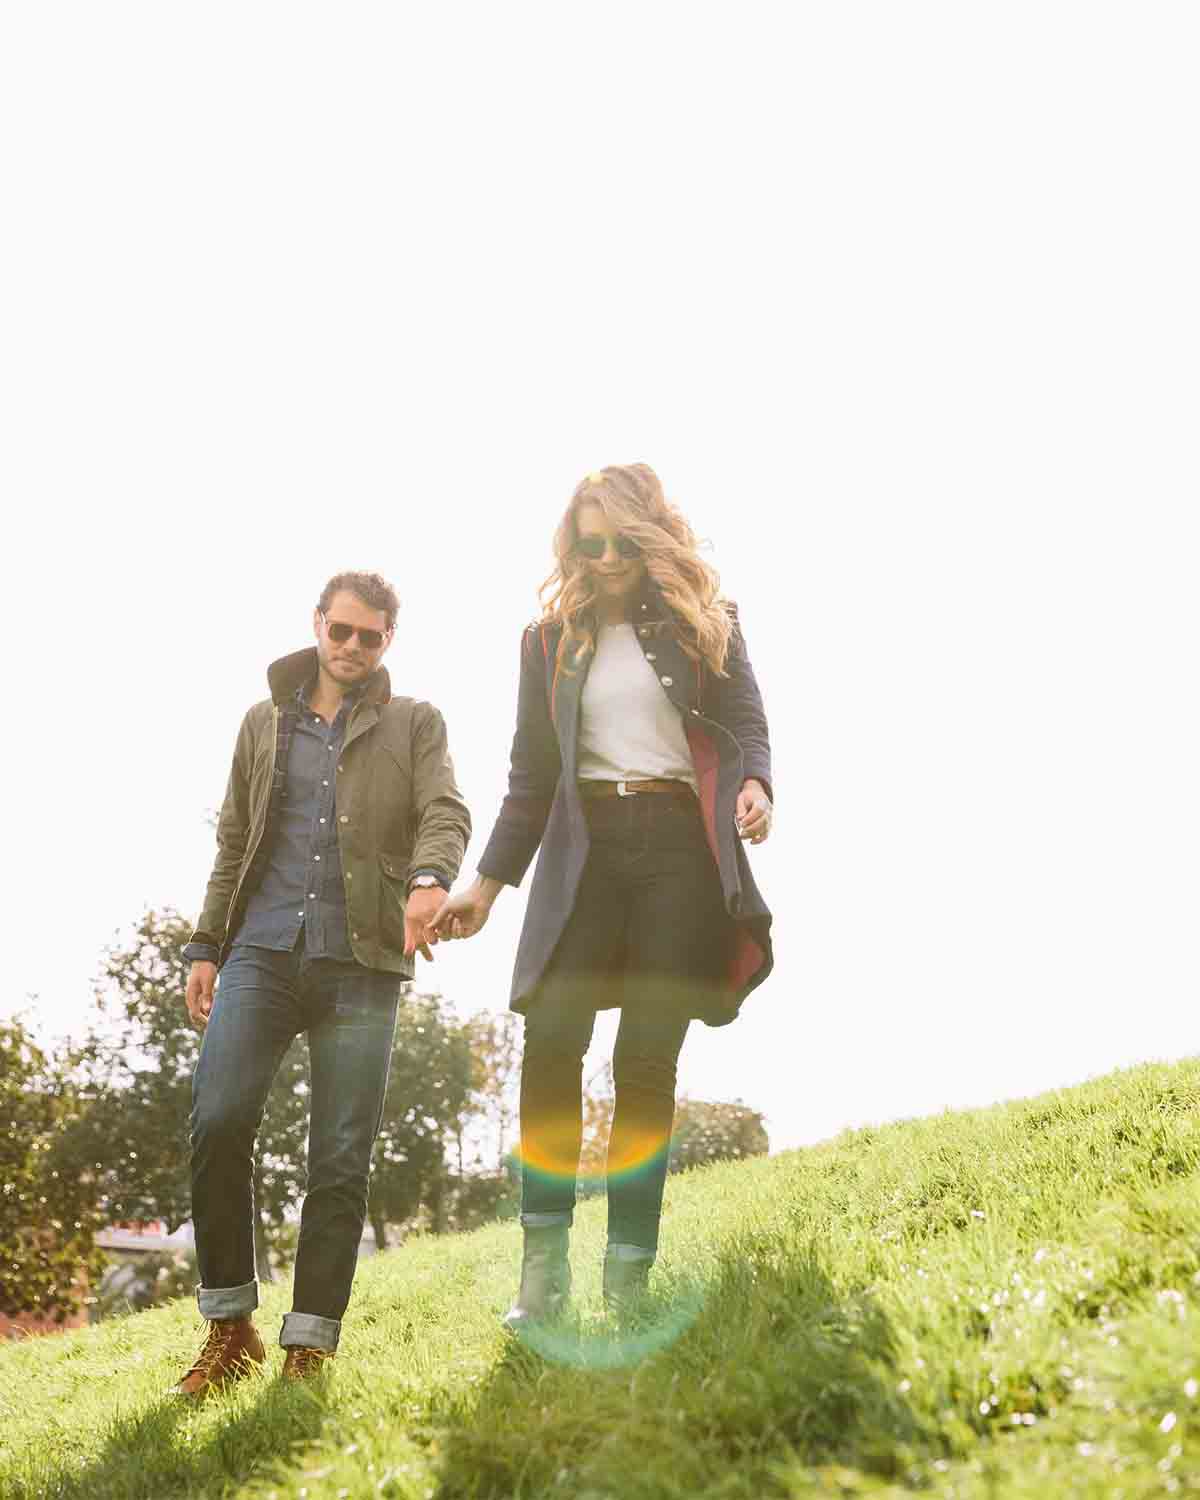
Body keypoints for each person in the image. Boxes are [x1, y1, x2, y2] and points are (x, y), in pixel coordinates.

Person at [432, 464, 773, 1323]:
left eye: (625, 539)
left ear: (653, 533)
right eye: (593, 542)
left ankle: (629, 1271)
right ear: (573, 544)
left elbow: (746, 721)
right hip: (581, 854)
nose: (610, 556)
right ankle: (542, 1274)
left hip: (677, 854)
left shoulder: (708, 622)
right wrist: (486, 885)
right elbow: (530, 776)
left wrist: (756, 786)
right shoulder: (547, 641)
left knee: (646, 1060)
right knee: (551, 1042)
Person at [172, 571, 470, 1396]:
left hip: (362, 958)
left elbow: (446, 809)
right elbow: (234, 842)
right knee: (219, 1119)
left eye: (369, 637)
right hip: (261, 950)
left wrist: (429, 878)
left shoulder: (415, 723)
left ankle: (310, 1346)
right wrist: (205, 945)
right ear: (317, 625)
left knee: (339, 1157)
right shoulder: (262, 724)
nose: (351, 647)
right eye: (340, 630)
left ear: (386, 644)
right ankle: (230, 1328)